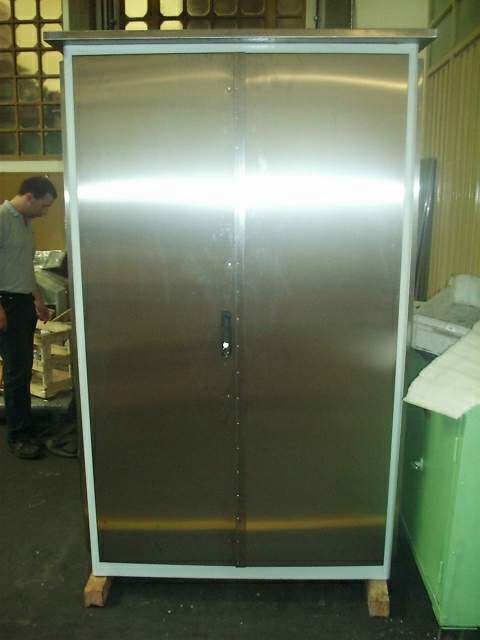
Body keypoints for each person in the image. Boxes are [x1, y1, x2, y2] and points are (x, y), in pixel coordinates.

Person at [0, 176, 57, 459]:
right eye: (44, 206)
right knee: (15, 372)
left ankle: (25, 424)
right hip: (6, 303)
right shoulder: (2, 218)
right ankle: (18, 436)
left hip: (22, 302)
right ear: (30, 197)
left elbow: (24, 267)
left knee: (22, 369)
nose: (45, 212)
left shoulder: (26, 222)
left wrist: (38, 300)